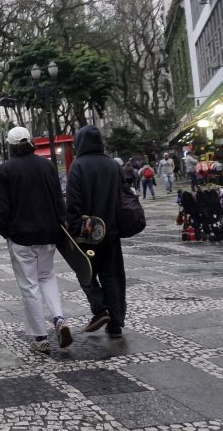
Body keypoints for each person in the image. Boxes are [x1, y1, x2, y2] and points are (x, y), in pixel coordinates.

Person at [0, 127, 72, 353]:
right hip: (49, 234)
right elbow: (58, 198)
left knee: (29, 285)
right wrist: (60, 222)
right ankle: (59, 318)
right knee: (47, 277)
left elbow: (1, 206)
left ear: (10, 145)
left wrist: (5, 230)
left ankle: (40, 337)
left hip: (21, 236)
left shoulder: (5, 170)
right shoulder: (46, 166)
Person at [67, 125, 127, 339]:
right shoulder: (113, 165)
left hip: (87, 233)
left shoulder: (78, 166)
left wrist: (74, 232)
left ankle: (100, 309)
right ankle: (116, 323)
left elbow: (73, 203)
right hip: (111, 231)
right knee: (111, 275)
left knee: (85, 272)